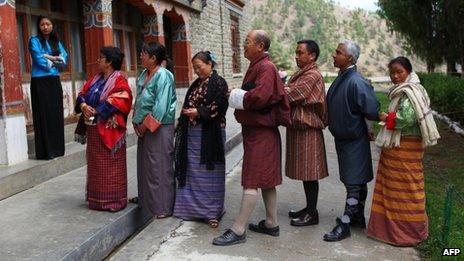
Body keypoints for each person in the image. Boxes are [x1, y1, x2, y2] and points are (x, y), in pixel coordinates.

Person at [213, 30, 291, 246]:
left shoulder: (266, 67)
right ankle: (271, 223)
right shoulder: (259, 65)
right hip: (259, 131)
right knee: (266, 180)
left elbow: (260, 97)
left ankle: (238, 229)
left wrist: (235, 95)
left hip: (262, 133)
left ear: (260, 46)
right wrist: (238, 93)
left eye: (247, 42)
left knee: (252, 179)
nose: (243, 45)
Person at [367, 57, 440, 246]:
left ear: (408, 71)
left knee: (408, 188)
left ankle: (409, 233)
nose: (395, 76)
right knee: (394, 189)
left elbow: (406, 118)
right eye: (392, 73)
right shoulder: (408, 90)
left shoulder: (412, 90)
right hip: (399, 148)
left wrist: (385, 116)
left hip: (405, 147)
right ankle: (388, 231)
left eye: (399, 72)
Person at [324, 40, 380, 242]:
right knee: (357, 179)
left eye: (338, 52)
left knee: (353, 182)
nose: (333, 54)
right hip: (344, 139)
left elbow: (372, 109)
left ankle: (346, 222)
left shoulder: (356, 81)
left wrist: (370, 128)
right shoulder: (344, 77)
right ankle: (357, 217)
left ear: (349, 57)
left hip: (354, 139)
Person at [173, 51, 229, 228]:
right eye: (194, 68)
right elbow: (188, 103)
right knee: (192, 172)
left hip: (210, 136)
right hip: (193, 135)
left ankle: (212, 212)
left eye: (199, 67)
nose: (197, 71)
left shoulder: (219, 82)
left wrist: (198, 112)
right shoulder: (196, 84)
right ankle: (189, 210)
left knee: (210, 173)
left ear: (210, 64)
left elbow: (220, 105)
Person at [75, 46, 132, 212]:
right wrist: (84, 105)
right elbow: (82, 94)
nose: (97, 60)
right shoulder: (95, 79)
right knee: (96, 166)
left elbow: (123, 98)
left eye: (101, 58)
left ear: (109, 62)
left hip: (109, 129)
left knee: (111, 166)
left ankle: (113, 201)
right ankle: (96, 200)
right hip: (93, 129)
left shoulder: (120, 80)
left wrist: (98, 110)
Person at [284, 40, 329, 226]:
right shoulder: (303, 73)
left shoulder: (311, 76)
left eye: (300, 52)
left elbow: (294, 95)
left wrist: (283, 89)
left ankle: (312, 213)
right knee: (305, 171)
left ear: (312, 56)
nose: (296, 56)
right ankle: (309, 208)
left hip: (308, 130)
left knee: (310, 172)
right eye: (296, 52)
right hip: (300, 130)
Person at [132, 42, 177, 219]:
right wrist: (136, 122)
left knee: (160, 166)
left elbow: (161, 106)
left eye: (144, 53)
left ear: (153, 58)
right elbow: (140, 100)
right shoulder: (144, 74)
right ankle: (148, 203)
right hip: (143, 126)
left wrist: (145, 125)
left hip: (159, 127)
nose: (141, 56)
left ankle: (163, 207)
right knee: (146, 166)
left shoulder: (164, 76)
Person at [29, 15, 68, 160]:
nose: (45, 27)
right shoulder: (34, 40)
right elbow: (38, 59)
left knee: (55, 114)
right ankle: (46, 152)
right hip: (40, 81)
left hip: (54, 81)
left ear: (52, 26)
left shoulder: (56, 42)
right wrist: (53, 59)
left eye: (48, 24)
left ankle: (57, 149)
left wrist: (49, 57)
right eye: (42, 24)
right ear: (39, 26)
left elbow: (64, 59)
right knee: (43, 114)